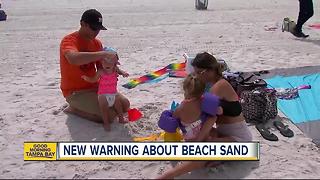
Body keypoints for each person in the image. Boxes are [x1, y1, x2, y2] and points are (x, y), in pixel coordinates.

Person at [157, 52, 252, 179]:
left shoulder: (218, 87)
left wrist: (197, 140)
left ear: (209, 70)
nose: (197, 75)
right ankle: (217, 158)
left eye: (199, 72)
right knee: (205, 139)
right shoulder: (215, 84)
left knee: (202, 151)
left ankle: (171, 175)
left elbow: (205, 117)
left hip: (239, 139)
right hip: (225, 134)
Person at [59, 9, 130, 123]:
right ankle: (73, 109)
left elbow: (102, 68)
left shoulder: (96, 43)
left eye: (98, 29)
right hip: (75, 92)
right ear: (82, 24)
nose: (96, 32)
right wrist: (103, 53)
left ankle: (88, 105)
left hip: (96, 87)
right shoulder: (69, 40)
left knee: (125, 105)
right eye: (93, 28)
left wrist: (114, 69)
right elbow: (73, 59)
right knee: (109, 115)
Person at [81, 57, 129, 131]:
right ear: (101, 63)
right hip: (103, 94)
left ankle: (121, 119)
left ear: (114, 63)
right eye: (104, 62)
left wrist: (123, 73)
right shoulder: (100, 72)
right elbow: (93, 79)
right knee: (104, 108)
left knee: (118, 106)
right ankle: (106, 123)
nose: (107, 64)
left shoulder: (115, 69)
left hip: (113, 93)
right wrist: (86, 78)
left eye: (109, 62)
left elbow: (120, 71)